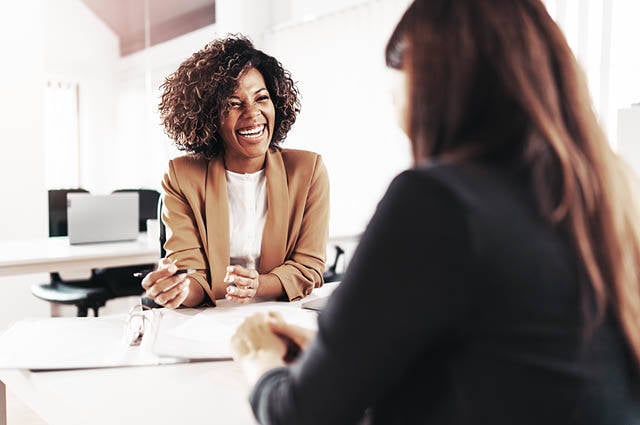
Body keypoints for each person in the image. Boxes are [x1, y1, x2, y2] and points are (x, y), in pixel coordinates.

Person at [230, 0, 640, 423]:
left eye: (396, 96)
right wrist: (340, 351)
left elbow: (301, 415)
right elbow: (503, 361)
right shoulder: (602, 194)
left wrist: (258, 357)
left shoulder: (438, 202)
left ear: (432, 93)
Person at [141, 36, 329, 308]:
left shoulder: (308, 171)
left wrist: (258, 285)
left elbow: (309, 266)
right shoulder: (181, 176)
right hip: (211, 320)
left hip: (282, 315)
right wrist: (178, 289)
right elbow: (192, 274)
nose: (252, 113)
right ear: (209, 116)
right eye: (233, 103)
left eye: (261, 98)